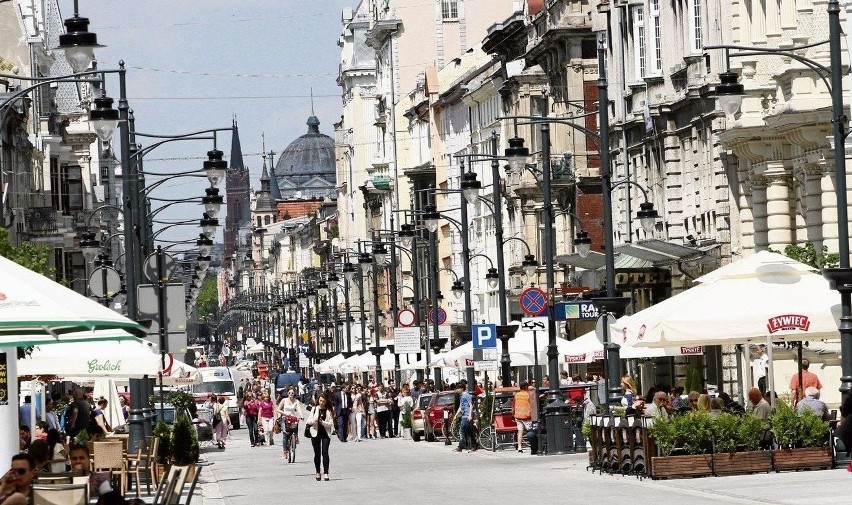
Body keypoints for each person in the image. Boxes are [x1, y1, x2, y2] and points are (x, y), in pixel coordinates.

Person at [306, 392, 335, 481]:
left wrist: (322, 422)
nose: (321, 402)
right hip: (315, 433)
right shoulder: (314, 409)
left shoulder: (329, 410)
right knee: (317, 453)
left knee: (325, 452)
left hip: (326, 434)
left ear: (326, 402)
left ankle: (326, 473)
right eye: (320, 400)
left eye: (323, 401)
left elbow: (330, 424)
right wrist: (315, 420)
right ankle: (318, 472)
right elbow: (308, 421)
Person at [275, 388, 305, 459]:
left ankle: (296, 436)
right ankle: (285, 452)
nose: (291, 394)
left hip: (292, 418)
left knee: (296, 422)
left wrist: (301, 416)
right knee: (285, 434)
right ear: (287, 393)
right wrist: (283, 413)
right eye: (289, 393)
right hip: (285, 418)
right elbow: (278, 409)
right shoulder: (284, 400)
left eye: (292, 393)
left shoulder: (296, 401)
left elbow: (299, 409)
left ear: (294, 393)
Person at [453, 380, 474, 453]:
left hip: (467, 415)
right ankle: (475, 444)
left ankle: (460, 446)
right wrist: (456, 415)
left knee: (461, 431)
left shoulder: (466, 395)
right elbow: (460, 407)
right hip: (464, 415)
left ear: (462, 388)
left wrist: (470, 415)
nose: (457, 390)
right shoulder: (461, 396)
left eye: (458, 388)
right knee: (469, 431)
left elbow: (471, 405)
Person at [513, 382, 533, 453]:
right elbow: (533, 404)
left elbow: (513, 406)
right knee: (530, 431)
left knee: (520, 431)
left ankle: (519, 447)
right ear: (525, 387)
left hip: (518, 415)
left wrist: (513, 414)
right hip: (526, 416)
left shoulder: (516, 395)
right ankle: (532, 445)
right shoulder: (528, 395)